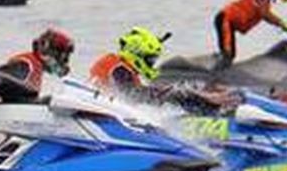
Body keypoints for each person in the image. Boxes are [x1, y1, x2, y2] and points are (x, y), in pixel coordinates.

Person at [90, 27, 239, 113]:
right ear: (136, 53)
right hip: (117, 119)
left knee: (183, 90)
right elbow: (136, 96)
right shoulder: (119, 69)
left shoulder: (117, 65)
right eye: (150, 59)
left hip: (115, 113)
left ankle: (215, 100)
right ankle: (219, 108)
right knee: (181, 92)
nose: (152, 63)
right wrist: (176, 93)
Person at [0, 28, 75, 101]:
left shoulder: (37, 66)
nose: (65, 62)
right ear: (48, 52)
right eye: (63, 57)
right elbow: (2, 77)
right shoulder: (28, 62)